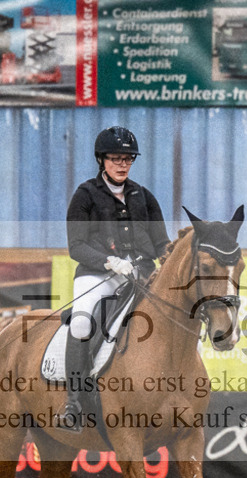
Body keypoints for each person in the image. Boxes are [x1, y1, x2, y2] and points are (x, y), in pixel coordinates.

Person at [58, 126, 169, 431]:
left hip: (142, 275)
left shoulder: (143, 197)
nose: (122, 164)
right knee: (81, 321)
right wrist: (109, 261)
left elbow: (162, 243)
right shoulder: (85, 195)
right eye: (116, 158)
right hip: (98, 274)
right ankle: (74, 403)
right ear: (101, 160)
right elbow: (76, 246)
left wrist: (169, 263)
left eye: (128, 159)